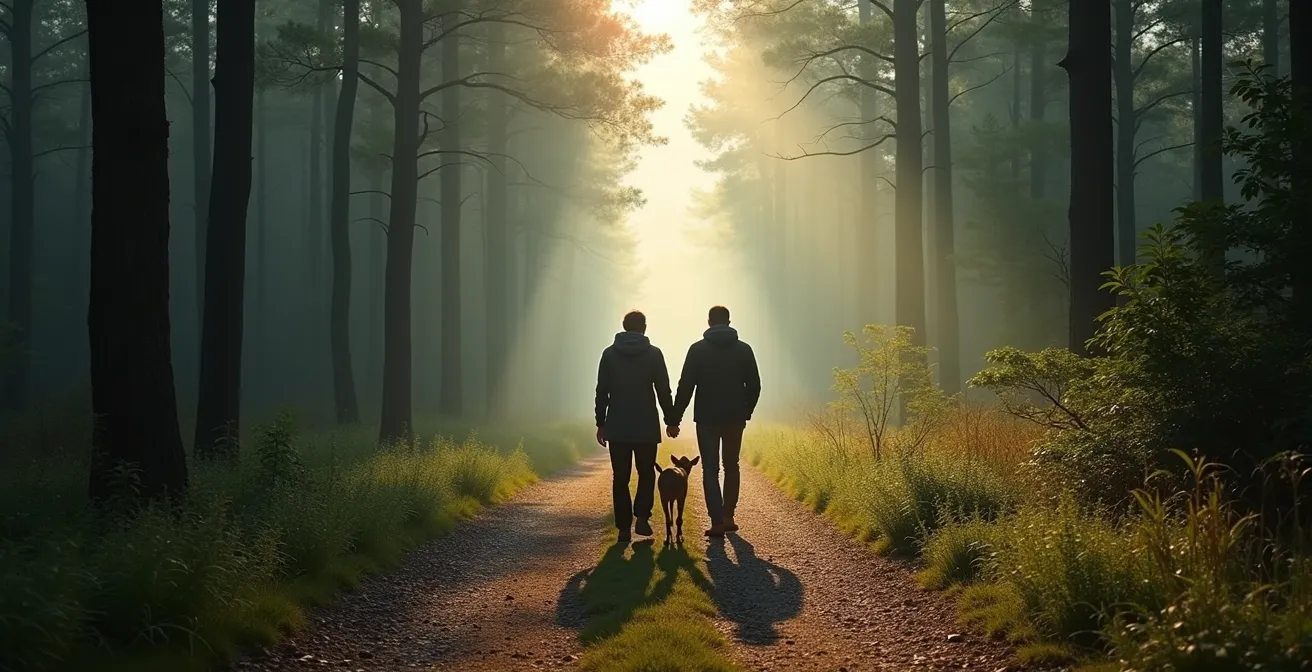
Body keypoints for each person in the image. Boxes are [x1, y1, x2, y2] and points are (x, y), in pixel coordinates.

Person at [669, 305, 762, 537]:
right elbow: (755, 386)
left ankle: (717, 521)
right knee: (732, 466)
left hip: (707, 418)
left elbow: (686, 386)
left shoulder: (697, 350)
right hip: (734, 418)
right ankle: (729, 516)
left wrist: (674, 419)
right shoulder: (744, 350)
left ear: (709, 322)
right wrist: (745, 411)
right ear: (729, 322)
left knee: (710, 468)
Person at [594, 310, 676, 543]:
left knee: (620, 477)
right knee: (646, 473)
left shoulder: (609, 355)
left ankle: (623, 528)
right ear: (644, 328)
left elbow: (602, 392)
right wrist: (670, 420)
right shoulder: (654, 354)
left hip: (617, 425)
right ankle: (642, 516)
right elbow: (663, 389)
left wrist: (601, 423)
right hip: (646, 425)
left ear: (624, 326)